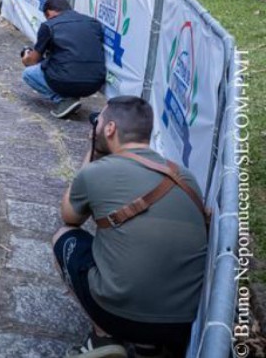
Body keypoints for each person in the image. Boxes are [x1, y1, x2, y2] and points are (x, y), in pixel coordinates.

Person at [52, 96, 208, 356]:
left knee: (63, 236)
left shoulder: (97, 172)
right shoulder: (185, 178)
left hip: (118, 315)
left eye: (98, 122)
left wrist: (93, 153)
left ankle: (102, 338)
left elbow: (70, 216)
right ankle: (148, 348)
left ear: (110, 129)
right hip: (182, 325)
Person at [19, 0, 106, 119]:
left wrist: (26, 57)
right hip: (94, 83)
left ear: (49, 13)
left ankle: (63, 100)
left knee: (28, 73)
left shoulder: (49, 25)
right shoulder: (93, 23)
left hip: (65, 80)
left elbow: (32, 61)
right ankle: (71, 98)